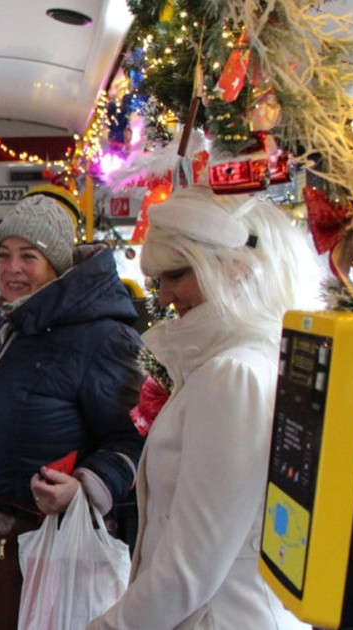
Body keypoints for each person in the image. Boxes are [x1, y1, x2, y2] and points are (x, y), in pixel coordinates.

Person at [86, 186, 318, 630]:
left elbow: (191, 566)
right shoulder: (247, 361)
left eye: (177, 274)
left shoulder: (232, 374)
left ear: (229, 268)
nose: (167, 297)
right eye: (161, 281)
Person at [0, 192, 144, 524]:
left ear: (56, 267)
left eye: (29, 256)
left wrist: (85, 487)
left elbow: (135, 440)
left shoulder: (102, 338)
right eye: (3, 254)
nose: (11, 268)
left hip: (47, 541)